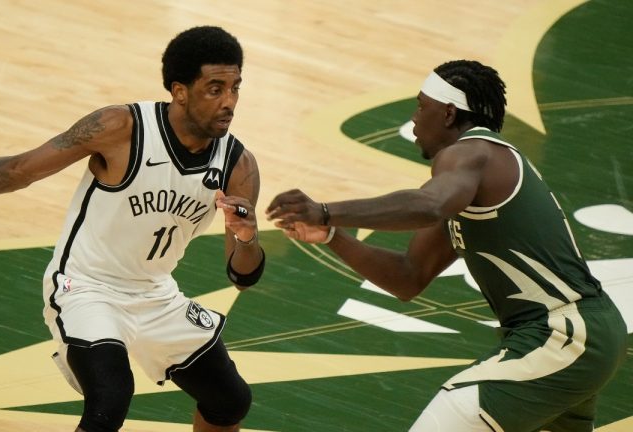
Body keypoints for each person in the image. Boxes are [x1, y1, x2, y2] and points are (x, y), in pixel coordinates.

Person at [0, 26, 264, 432]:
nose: (229, 102)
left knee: (230, 400)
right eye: (215, 89)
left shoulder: (238, 166)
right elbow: (20, 170)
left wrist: (247, 236)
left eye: (235, 88)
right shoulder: (121, 127)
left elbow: (242, 275)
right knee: (110, 399)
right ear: (180, 90)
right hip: (85, 287)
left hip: (155, 295)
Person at [266, 60, 626, 431]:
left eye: (422, 106)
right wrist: (330, 235)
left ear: (449, 113)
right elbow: (409, 277)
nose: (414, 119)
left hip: (560, 335)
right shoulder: (471, 184)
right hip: (583, 338)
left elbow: (427, 205)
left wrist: (326, 211)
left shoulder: (472, 152)